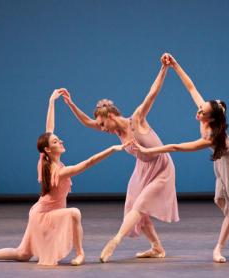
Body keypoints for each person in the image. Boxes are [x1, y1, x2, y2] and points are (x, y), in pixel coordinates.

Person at [0, 89, 128, 266]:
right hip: (46, 215)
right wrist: (112, 149)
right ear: (48, 149)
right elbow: (88, 163)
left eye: (58, 139)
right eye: (55, 142)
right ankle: (80, 254)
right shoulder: (57, 171)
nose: (60, 141)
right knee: (74, 213)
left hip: (38, 212)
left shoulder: (44, 159)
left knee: (22, 254)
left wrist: (51, 102)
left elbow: (49, 129)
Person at [134, 53, 229, 263]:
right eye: (200, 109)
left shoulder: (211, 136)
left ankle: (227, 246)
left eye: (202, 112)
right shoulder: (207, 114)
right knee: (221, 201)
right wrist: (175, 65)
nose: (198, 112)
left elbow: (178, 147)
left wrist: (149, 151)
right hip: (225, 160)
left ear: (211, 118)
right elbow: (191, 87)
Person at [61, 56, 179, 263]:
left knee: (140, 206)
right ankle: (157, 247)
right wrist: (71, 104)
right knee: (134, 208)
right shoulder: (114, 131)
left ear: (111, 117)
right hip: (142, 168)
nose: (102, 129)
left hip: (161, 167)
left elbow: (152, 94)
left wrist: (163, 68)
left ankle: (115, 241)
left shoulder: (136, 119)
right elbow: (88, 122)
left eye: (103, 124)